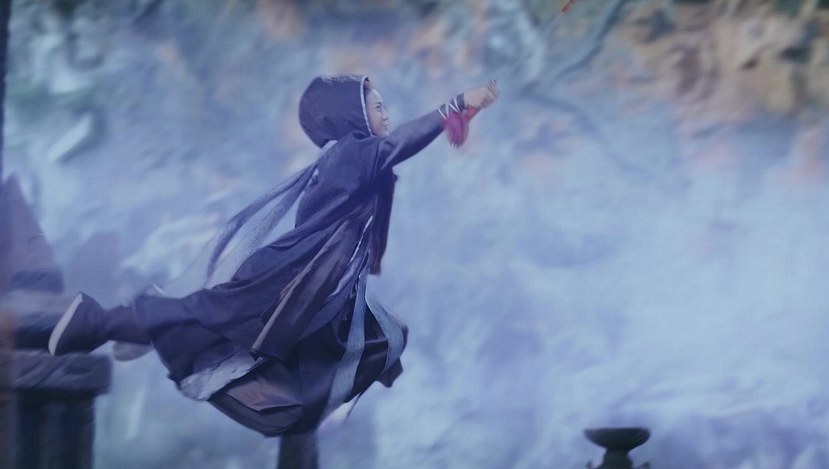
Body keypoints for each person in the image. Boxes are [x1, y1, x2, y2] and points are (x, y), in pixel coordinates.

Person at [47, 74, 500, 461]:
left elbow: (391, 156)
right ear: (351, 117)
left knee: (377, 340)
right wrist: (455, 105)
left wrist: (457, 115)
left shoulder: (352, 156)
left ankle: (304, 411)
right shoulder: (353, 152)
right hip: (287, 280)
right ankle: (99, 322)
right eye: (376, 105)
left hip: (319, 288)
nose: (385, 112)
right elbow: (400, 143)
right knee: (202, 317)